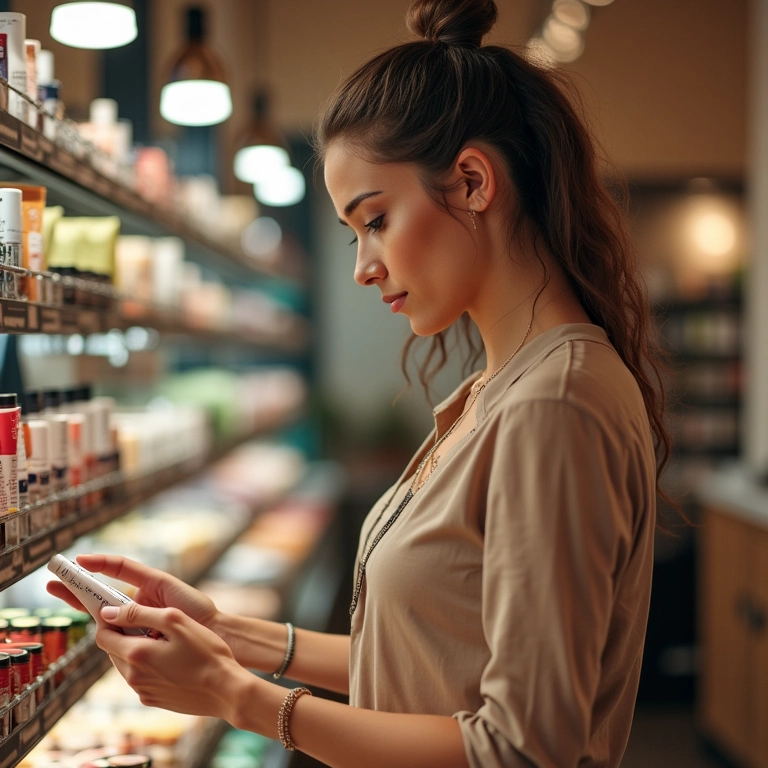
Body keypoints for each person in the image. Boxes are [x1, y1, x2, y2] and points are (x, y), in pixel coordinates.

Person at [48, 1, 678, 765]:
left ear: (474, 181)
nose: (361, 265)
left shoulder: (554, 403)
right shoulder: (502, 388)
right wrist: (223, 632)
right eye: (353, 232)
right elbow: (430, 664)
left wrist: (236, 696)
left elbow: (522, 747)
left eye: (375, 219)